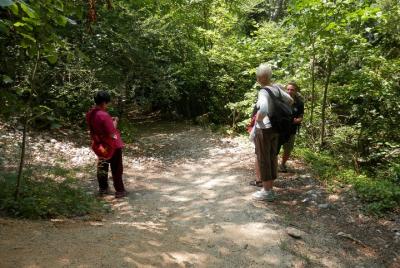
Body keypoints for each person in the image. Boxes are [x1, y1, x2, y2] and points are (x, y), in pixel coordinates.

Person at [251, 63, 293, 201]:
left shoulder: (263, 92)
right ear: (269, 76)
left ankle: (267, 191)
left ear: (259, 78)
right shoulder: (277, 89)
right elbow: (291, 100)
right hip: (276, 128)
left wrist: (257, 123)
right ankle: (270, 189)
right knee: (272, 156)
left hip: (265, 129)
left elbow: (262, 110)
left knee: (264, 158)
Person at [86, 91, 127, 198]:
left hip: (99, 144)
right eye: (107, 102)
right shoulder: (104, 115)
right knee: (116, 167)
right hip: (111, 145)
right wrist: (115, 121)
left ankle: (103, 189)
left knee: (102, 166)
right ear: (104, 102)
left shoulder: (90, 114)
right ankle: (120, 190)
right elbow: (111, 132)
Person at [279, 82, 304, 173]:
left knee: (288, 149)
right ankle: (271, 165)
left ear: (296, 91)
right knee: (274, 148)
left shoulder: (299, 103)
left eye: (292, 89)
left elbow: (301, 116)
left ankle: (282, 165)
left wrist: (299, 120)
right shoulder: (281, 100)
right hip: (279, 128)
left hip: (291, 129)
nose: (289, 91)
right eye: (288, 89)